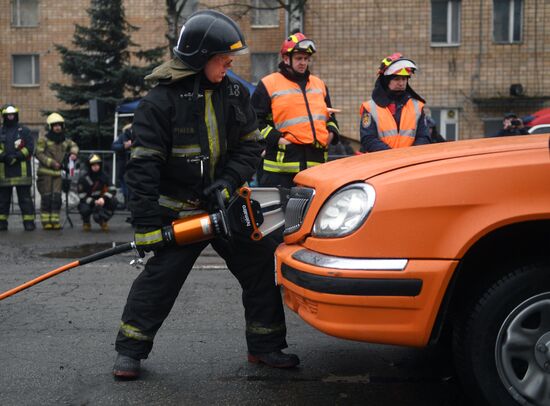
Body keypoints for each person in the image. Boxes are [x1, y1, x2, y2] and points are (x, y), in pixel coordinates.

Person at [112, 10, 298, 380]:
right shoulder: (160, 102)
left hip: (227, 206)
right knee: (161, 279)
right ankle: (130, 350)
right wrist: (148, 226)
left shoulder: (233, 92)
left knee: (261, 265)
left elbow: (249, 146)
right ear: (200, 58)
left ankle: (265, 346)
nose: (229, 66)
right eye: (223, 59)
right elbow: (144, 168)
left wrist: (226, 183)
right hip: (180, 213)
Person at [251, 32, 340, 188]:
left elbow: (329, 116)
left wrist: (331, 134)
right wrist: (279, 139)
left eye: (306, 59)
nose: (303, 63)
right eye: (299, 58)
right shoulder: (268, 84)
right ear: (286, 59)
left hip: (316, 167)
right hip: (280, 170)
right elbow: (254, 121)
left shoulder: (319, 84)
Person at [359, 53, 430, 153]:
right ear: (386, 81)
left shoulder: (417, 106)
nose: (401, 83)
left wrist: (410, 155)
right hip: (382, 163)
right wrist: (392, 156)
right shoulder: (370, 107)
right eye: (396, 79)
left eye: (404, 79)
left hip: (410, 162)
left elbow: (424, 137)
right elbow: (368, 139)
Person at [35, 113, 79, 230]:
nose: (57, 127)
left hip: (58, 175)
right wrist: (51, 162)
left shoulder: (64, 140)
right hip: (45, 174)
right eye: (55, 125)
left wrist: (74, 153)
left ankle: (55, 221)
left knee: (57, 199)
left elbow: (74, 145)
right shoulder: (43, 140)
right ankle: (46, 222)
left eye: (59, 125)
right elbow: (38, 154)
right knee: (47, 198)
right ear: (51, 127)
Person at [0, 104, 35, 231]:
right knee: (3, 200)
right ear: (4, 116)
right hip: (4, 172)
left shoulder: (24, 131)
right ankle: (2, 222)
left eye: (12, 114)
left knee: (25, 199)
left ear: (16, 115)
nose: (10, 117)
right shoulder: (0, 131)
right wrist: (4, 156)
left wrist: (18, 156)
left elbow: (30, 147)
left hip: (22, 172)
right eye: (8, 115)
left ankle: (28, 222)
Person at [77, 154, 116, 231]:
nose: (96, 166)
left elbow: (113, 189)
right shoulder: (83, 178)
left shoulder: (104, 176)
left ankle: (103, 221)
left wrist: (103, 198)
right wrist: (94, 202)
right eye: (93, 165)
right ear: (89, 166)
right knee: (84, 208)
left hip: (101, 200)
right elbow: (82, 196)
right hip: (88, 202)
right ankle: (86, 222)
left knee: (113, 201)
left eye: (97, 164)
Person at [111, 123, 133, 208]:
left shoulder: (140, 135)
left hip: (134, 165)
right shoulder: (122, 136)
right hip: (123, 164)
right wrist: (124, 146)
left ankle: (130, 203)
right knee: (124, 182)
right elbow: (113, 146)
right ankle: (126, 203)